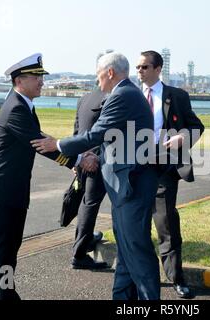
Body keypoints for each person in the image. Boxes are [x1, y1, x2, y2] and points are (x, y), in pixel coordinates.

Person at [31, 52, 161, 300]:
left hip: (131, 185)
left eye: (98, 74)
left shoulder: (123, 95)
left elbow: (96, 135)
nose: (97, 80)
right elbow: (115, 143)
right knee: (125, 250)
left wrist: (57, 145)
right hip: (124, 184)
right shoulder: (127, 93)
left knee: (137, 250)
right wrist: (87, 159)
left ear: (110, 73)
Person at [0, 53, 79, 300]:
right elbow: (39, 142)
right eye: (37, 77)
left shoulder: (23, 105)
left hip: (13, 192)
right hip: (1, 193)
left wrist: (73, 159)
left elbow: (40, 139)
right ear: (20, 80)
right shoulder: (15, 108)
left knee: (9, 250)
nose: (42, 82)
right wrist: (76, 161)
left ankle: (5, 293)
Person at [136, 50, 205, 298]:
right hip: (136, 170)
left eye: (144, 67)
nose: (140, 71)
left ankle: (176, 277)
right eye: (138, 67)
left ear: (157, 68)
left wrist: (182, 137)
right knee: (136, 225)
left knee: (166, 223)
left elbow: (196, 126)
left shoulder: (177, 96)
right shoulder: (130, 95)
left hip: (164, 169)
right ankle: (139, 277)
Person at [69, 85, 109, 270]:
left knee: (87, 203)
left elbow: (77, 131)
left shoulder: (84, 98)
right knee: (90, 204)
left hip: (84, 158)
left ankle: (83, 242)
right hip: (99, 160)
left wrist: (77, 160)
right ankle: (79, 252)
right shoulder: (110, 98)